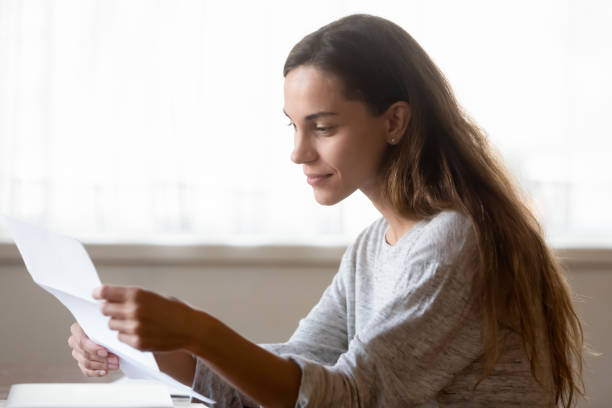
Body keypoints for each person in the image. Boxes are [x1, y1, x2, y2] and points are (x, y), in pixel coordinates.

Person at [67, 14, 585, 407]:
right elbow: (299, 373)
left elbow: (346, 397)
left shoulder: (453, 241)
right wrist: (145, 347)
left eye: (324, 127)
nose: (298, 152)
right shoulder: (370, 247)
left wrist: (198, 331)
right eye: (293, 126)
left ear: (395, 122)